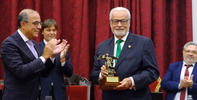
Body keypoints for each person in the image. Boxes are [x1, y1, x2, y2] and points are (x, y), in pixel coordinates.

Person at [90, 7, 159, 100]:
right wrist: (101, 75)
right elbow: (94, 75)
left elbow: (152, 72)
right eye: (116, 21)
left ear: (129, 22)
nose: (119, 24)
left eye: (123, 21)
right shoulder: (102, 46)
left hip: (136, 97)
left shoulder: (143, 43)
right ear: (110, 23)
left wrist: (132, 81)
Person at [1, 9, 66, 100]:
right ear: (23, 24)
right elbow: (20, 71)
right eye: (36, 23)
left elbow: (43, 73)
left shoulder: (34, 44)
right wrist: (44, 56)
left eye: (40, 23)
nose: (39, 27)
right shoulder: (10, 44)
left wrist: (52, 56)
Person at [38, 19, 73, 100]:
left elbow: (69, 73)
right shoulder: (37, 48)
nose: (51, 33)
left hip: (59, 93)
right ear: (42, 32)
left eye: (54, 30)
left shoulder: (62, 49)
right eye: (48, 30)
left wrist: (63, 60)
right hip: (41, 91)